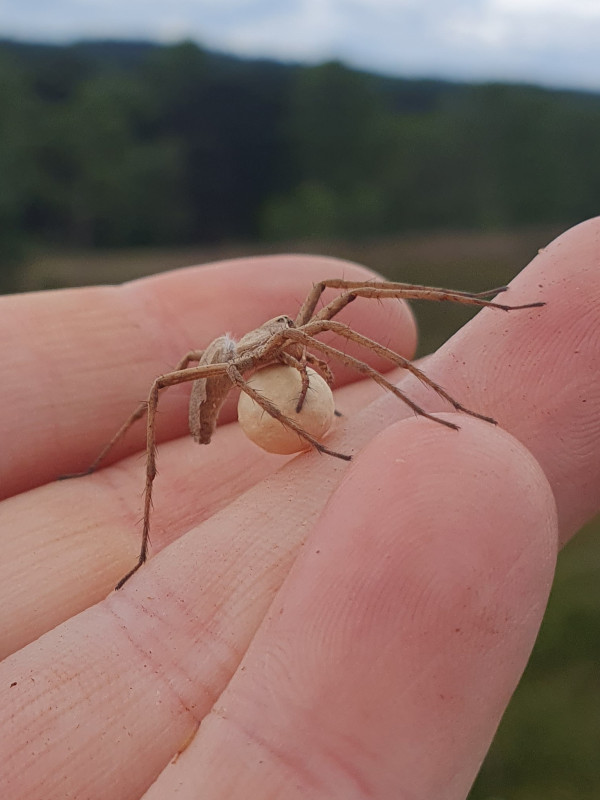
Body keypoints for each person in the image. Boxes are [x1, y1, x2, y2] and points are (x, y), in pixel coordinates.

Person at [0, 218, 599, 799]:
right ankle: (141, 539)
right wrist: (308, 435)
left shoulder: (294, 332)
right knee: (168, 381)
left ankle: (478, 308)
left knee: (343, 298)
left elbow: (332, 321)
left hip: (248, 360)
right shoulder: (243, 359)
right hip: (225, 372)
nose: (304, 343)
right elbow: (225, 372)